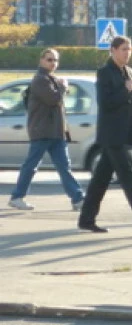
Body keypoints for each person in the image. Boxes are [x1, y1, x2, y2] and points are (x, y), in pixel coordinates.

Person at [77, 36, 132, 234]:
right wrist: (124, 90)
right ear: (113, 50)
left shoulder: (130, 73)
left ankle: (86, 219)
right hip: (111, 135)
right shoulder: (104, 73)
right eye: (124, 49)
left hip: (123, 134)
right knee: (127, 177)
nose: (127, 53)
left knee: (100, 179)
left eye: (130, 49)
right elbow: (106, 102)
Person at [8, 48, 85, 211]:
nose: (53, 63)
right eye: (49, 59)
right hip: (42, 131)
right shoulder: (40, 79)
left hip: (56, 132)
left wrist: (61, 86)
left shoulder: (51, 79)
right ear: (41, 60)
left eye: (55, 60)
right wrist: (63, 87)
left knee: (64, 167)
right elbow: (53, 99)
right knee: (31, 165)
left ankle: (77, 199)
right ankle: (17, 197)